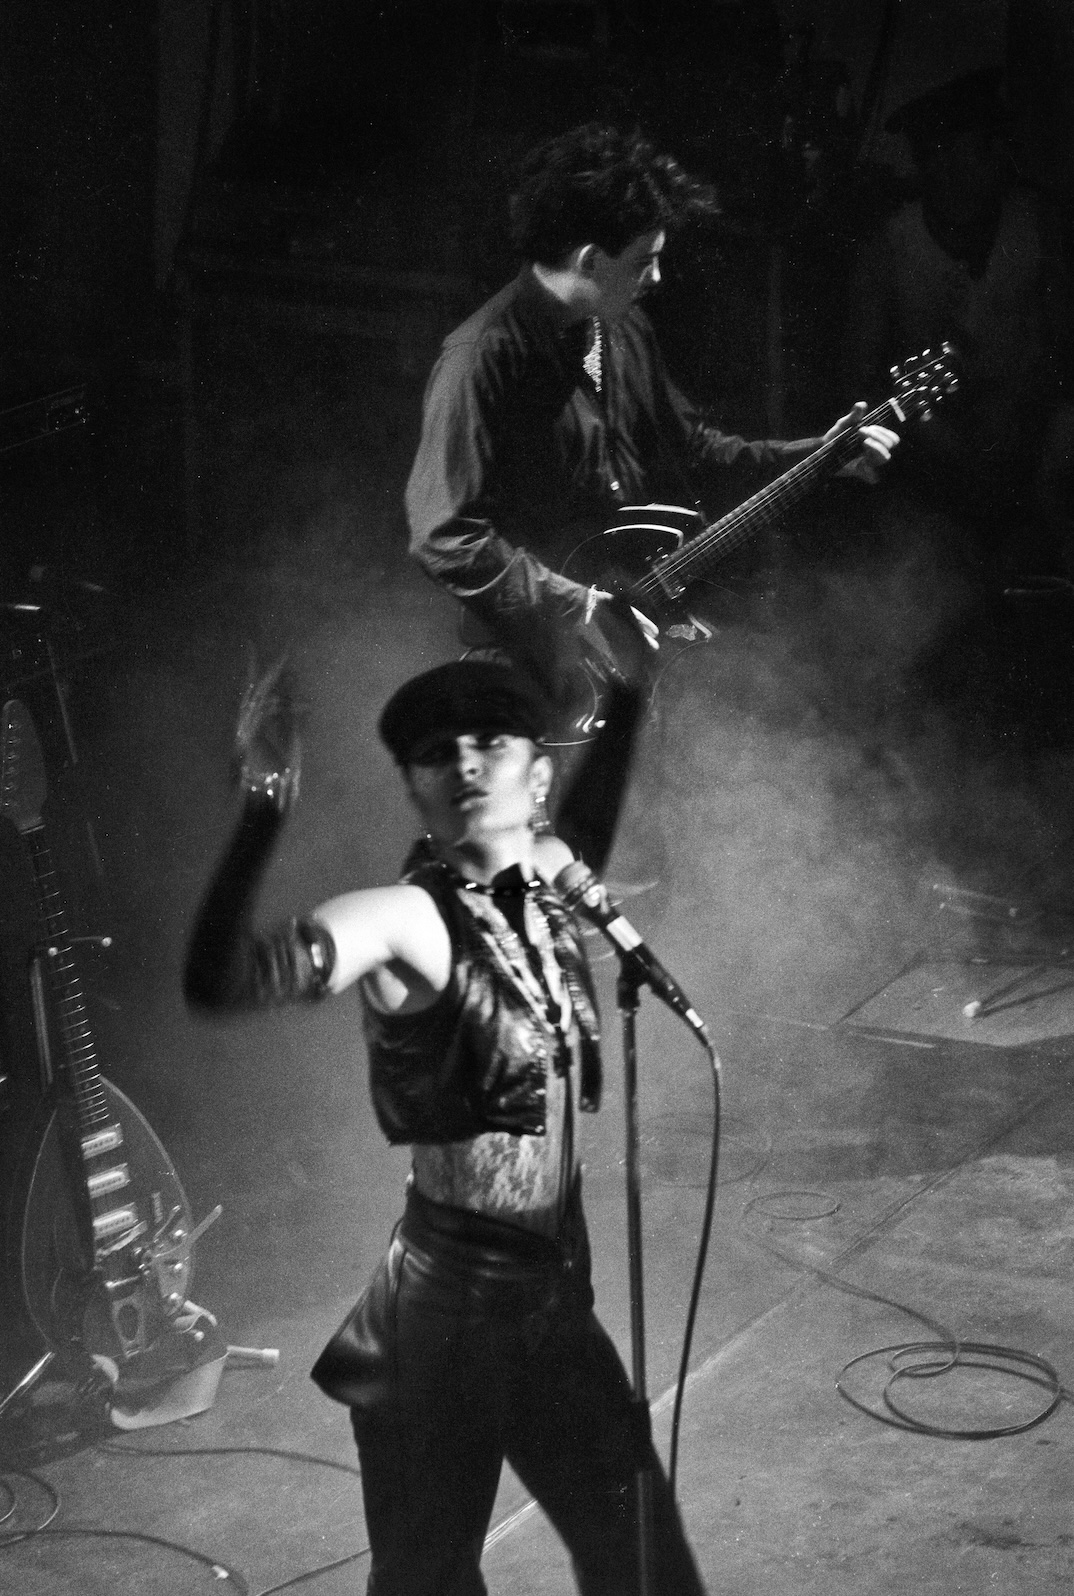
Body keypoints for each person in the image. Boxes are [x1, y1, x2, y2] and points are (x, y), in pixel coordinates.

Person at [184, 655, 707, 1595]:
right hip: (444, 1319)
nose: (465, 762)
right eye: (436, 753)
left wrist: (628, 695)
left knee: (644, 1562)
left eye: (491, 743)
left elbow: (579, 832)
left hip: (551, 1299)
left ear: (536, 774)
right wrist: (264, 810)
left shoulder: (548, 880)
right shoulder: (401, 919)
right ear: (415, 788)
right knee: (428, 1583)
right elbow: (220, 983)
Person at [405, 121, 899, 693]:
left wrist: (822, 455)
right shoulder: (481, 357)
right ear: (591, 260)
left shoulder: (624, 330)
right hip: (529, 666)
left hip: (620, 646)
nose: (657, 277)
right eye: (643, 261)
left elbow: (697, 450)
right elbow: (443, 536)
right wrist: (580, 607)